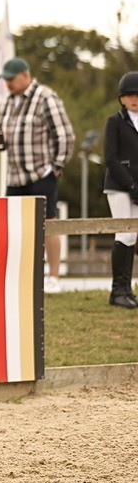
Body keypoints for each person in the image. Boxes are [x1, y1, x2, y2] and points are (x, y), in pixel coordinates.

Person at [0, 57, 75, 292]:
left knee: (49, 223)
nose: (7, 83)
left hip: (41, 174)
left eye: (11, 79)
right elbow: (1, 134)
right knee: (14, 227)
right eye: (5, 79)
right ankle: (21, 276)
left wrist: (56, 167)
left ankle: (54, 277)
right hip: (14, 177)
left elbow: (65, 134)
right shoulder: (7, 102)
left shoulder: (46, 97)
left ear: (25, 75)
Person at [101, 71, 138, 308]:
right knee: (123, 233)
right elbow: (110, 158)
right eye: (129, 95)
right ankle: (117, 290)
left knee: (133, 236)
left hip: (137, 187)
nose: (134, 99)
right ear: (121, 98)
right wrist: (130, 184)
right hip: (119, 185)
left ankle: (128, 289)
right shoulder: (114, 122)